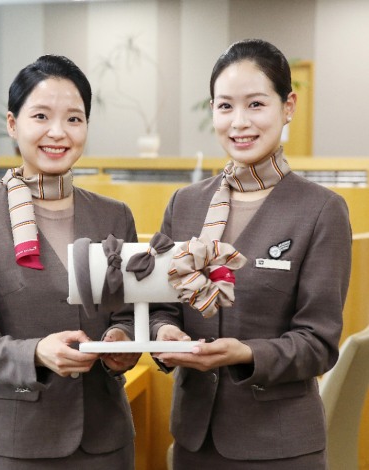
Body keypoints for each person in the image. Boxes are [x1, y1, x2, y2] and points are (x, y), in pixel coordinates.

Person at [150, 39, 352, 469]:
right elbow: (159, 304)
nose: (239, 122)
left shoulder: (321, 210)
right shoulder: (185, 204)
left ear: (288, 106)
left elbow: (318, 343)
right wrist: (164, 332)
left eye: (256, 104)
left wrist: (244, 353)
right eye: (225, 106)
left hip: (279, 444)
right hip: (194, 441)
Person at [0, 54, 141, 469]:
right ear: (13, 124)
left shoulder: (114, 215)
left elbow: (129, 313)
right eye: (41, 116)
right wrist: (36, 352)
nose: (58, 132)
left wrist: (122, 340)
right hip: (20, 443)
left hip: (106, 440)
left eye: (74, 119)